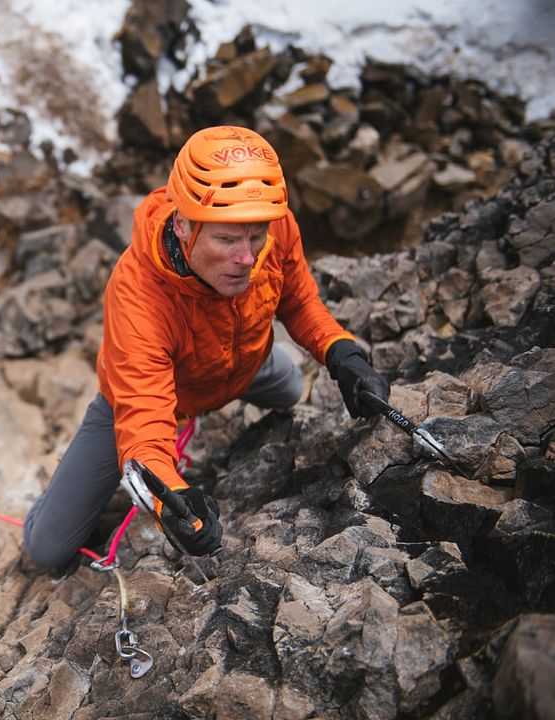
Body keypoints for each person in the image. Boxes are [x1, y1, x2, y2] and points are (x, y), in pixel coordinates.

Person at [22, 125, 389, 569]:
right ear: (182, 224)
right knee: (47, 550)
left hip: (248, 363)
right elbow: (144, 422)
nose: (247, 257)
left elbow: (299, 300)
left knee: (293, 391)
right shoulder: (138, 295)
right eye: (227, 239)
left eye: (255, 237)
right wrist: (170, 501)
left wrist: (340, 350)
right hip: (161, 397)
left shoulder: (271, 222)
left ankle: (279, 372)